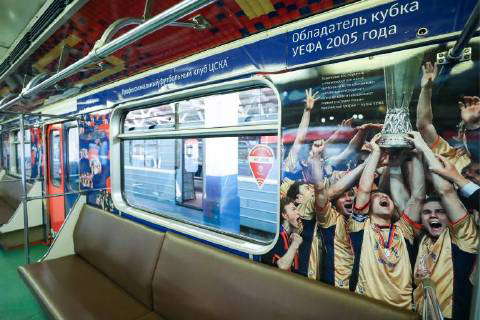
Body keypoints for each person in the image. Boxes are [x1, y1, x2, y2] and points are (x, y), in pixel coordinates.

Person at [406, 131, 478, 320]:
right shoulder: (421, 239)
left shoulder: (463, 238)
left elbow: (446, 191)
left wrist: (423, 147)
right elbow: (417, 194)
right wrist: (414, 154)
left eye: (440, 212)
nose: (433, 216)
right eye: (427, 212)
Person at [347, 137, 423, 310]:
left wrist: (418, 153)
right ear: (368, 207)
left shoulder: (404, 229)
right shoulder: (361, 227)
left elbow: (417, 197)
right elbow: (365, 189)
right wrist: (375, 152)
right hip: (366, 307)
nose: (383, 196)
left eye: (387, 196)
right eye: (378, 197)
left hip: (403, 310)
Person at [310, 153, 366, 289]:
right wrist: (316, 159)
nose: (348, 199)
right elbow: (320, 190)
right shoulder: (331, 219)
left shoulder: (364, 220)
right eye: (342, 196)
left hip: (361, 287)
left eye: (351, 195)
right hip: (337, 287)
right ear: (334, 203)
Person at [415, 62, 478, 171]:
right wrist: (426, 90)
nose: (465, 134)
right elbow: (424, 126)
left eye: (471, 132)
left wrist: (474, 126)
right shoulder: (454, 158)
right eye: (464, 131)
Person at [262, 197, 304, 272]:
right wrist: (295, 243)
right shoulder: (276, 236)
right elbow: (282, 266)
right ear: (285, 215)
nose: (298, 212)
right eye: (293, 209)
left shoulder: (289, 235)